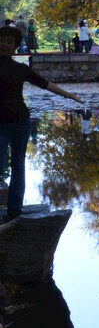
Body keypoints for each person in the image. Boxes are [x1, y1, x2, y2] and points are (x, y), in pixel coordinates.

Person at [0, 25, 82, 221]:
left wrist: (68, 94)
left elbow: (44, 83)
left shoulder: (20, 69)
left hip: (21, 122)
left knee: (18, 165)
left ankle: (14, 210)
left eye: (8, 42)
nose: (3, 44)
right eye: (1, 40)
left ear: (14, 47)